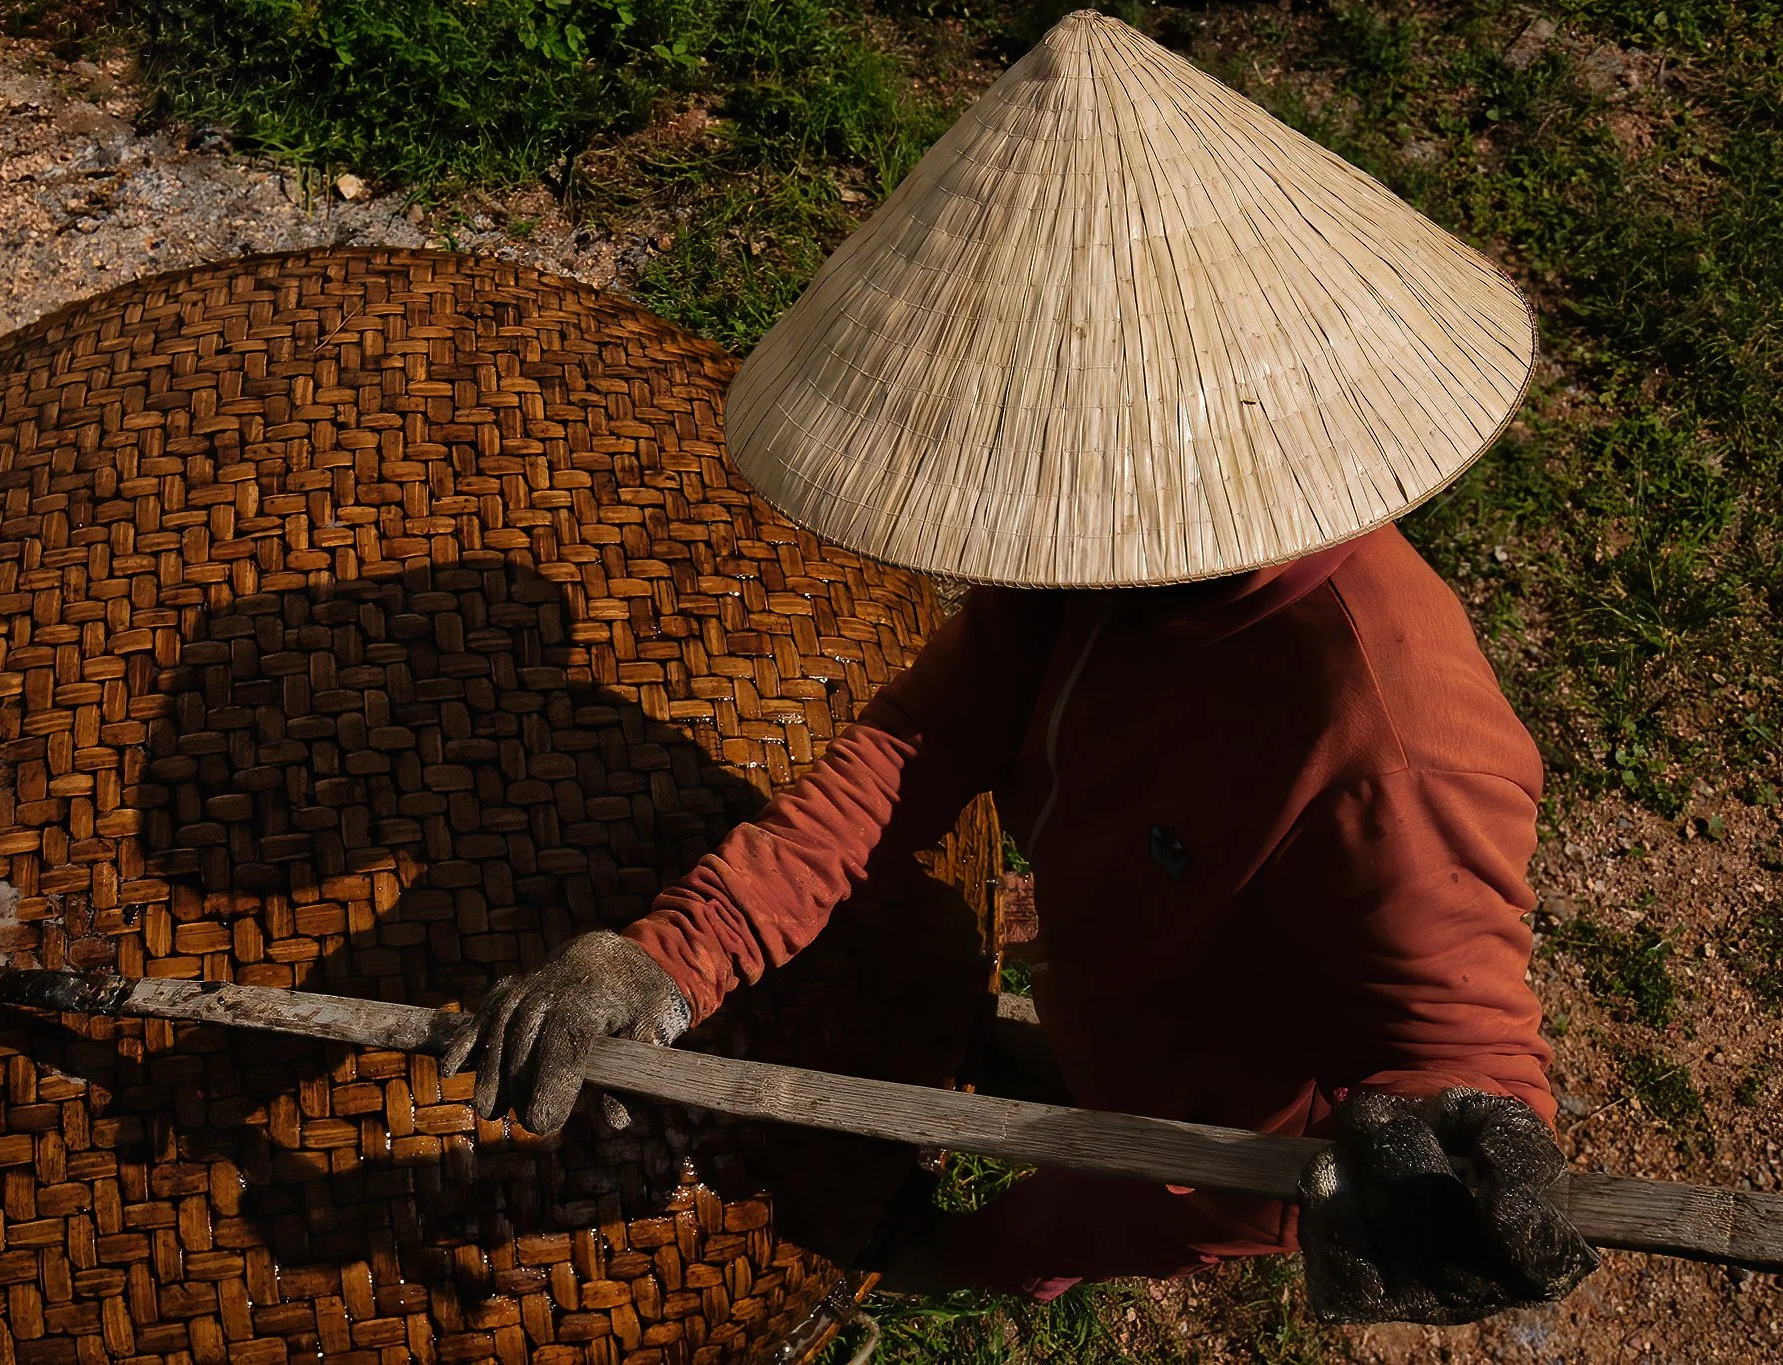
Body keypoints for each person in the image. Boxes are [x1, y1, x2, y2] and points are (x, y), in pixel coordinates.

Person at [442, 10, 1597, 1325]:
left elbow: (1463, 1038)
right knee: (1064, 1060)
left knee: (1055, 1219)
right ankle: (1019, 1066)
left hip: (1219, 1157)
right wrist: (665, 959)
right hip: (1122, 988)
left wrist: (1462, 1163)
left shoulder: (1399, 739)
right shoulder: (1098, 567)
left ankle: (937, 1265)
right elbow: (913, 750)